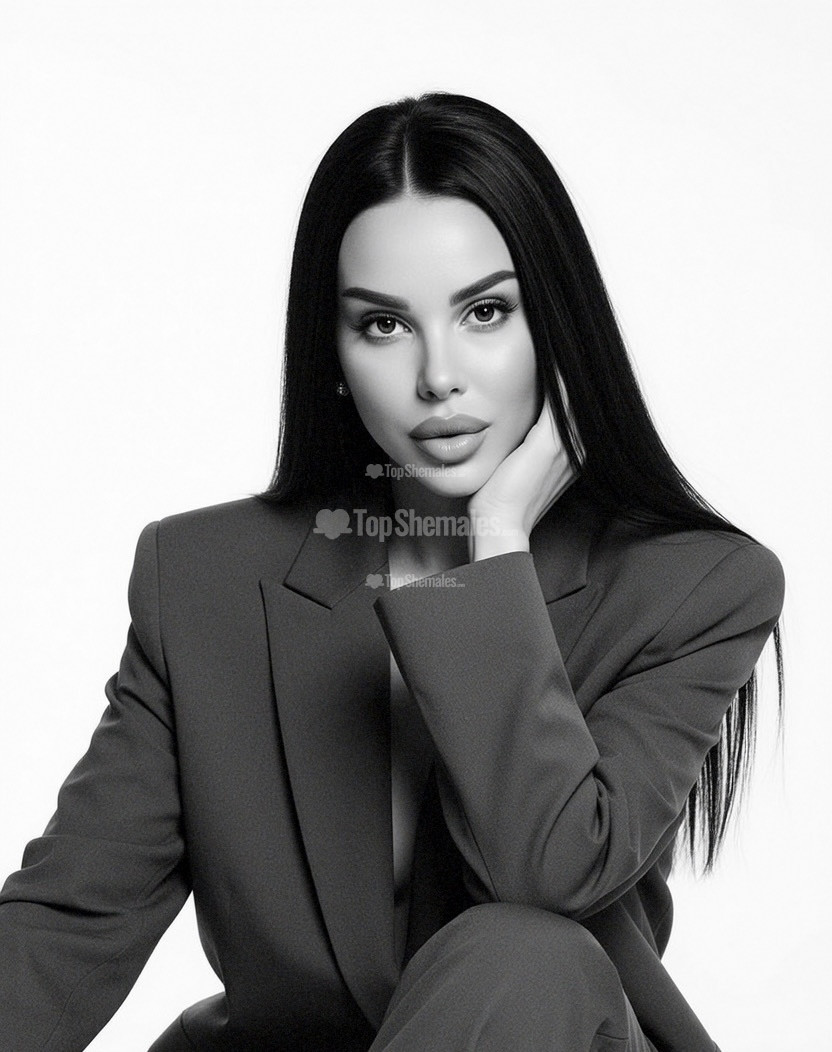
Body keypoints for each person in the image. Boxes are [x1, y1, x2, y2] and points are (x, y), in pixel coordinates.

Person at [0, 92, 784, 1052]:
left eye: (486, 312)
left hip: (546, 1024)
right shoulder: (204, 579)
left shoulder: (695, 587)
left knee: (523, 954)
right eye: (383, 325)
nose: (438, 376)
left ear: (556, 326)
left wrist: (497, 540)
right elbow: (70, 921)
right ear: (332, 354)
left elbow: (546, 876)